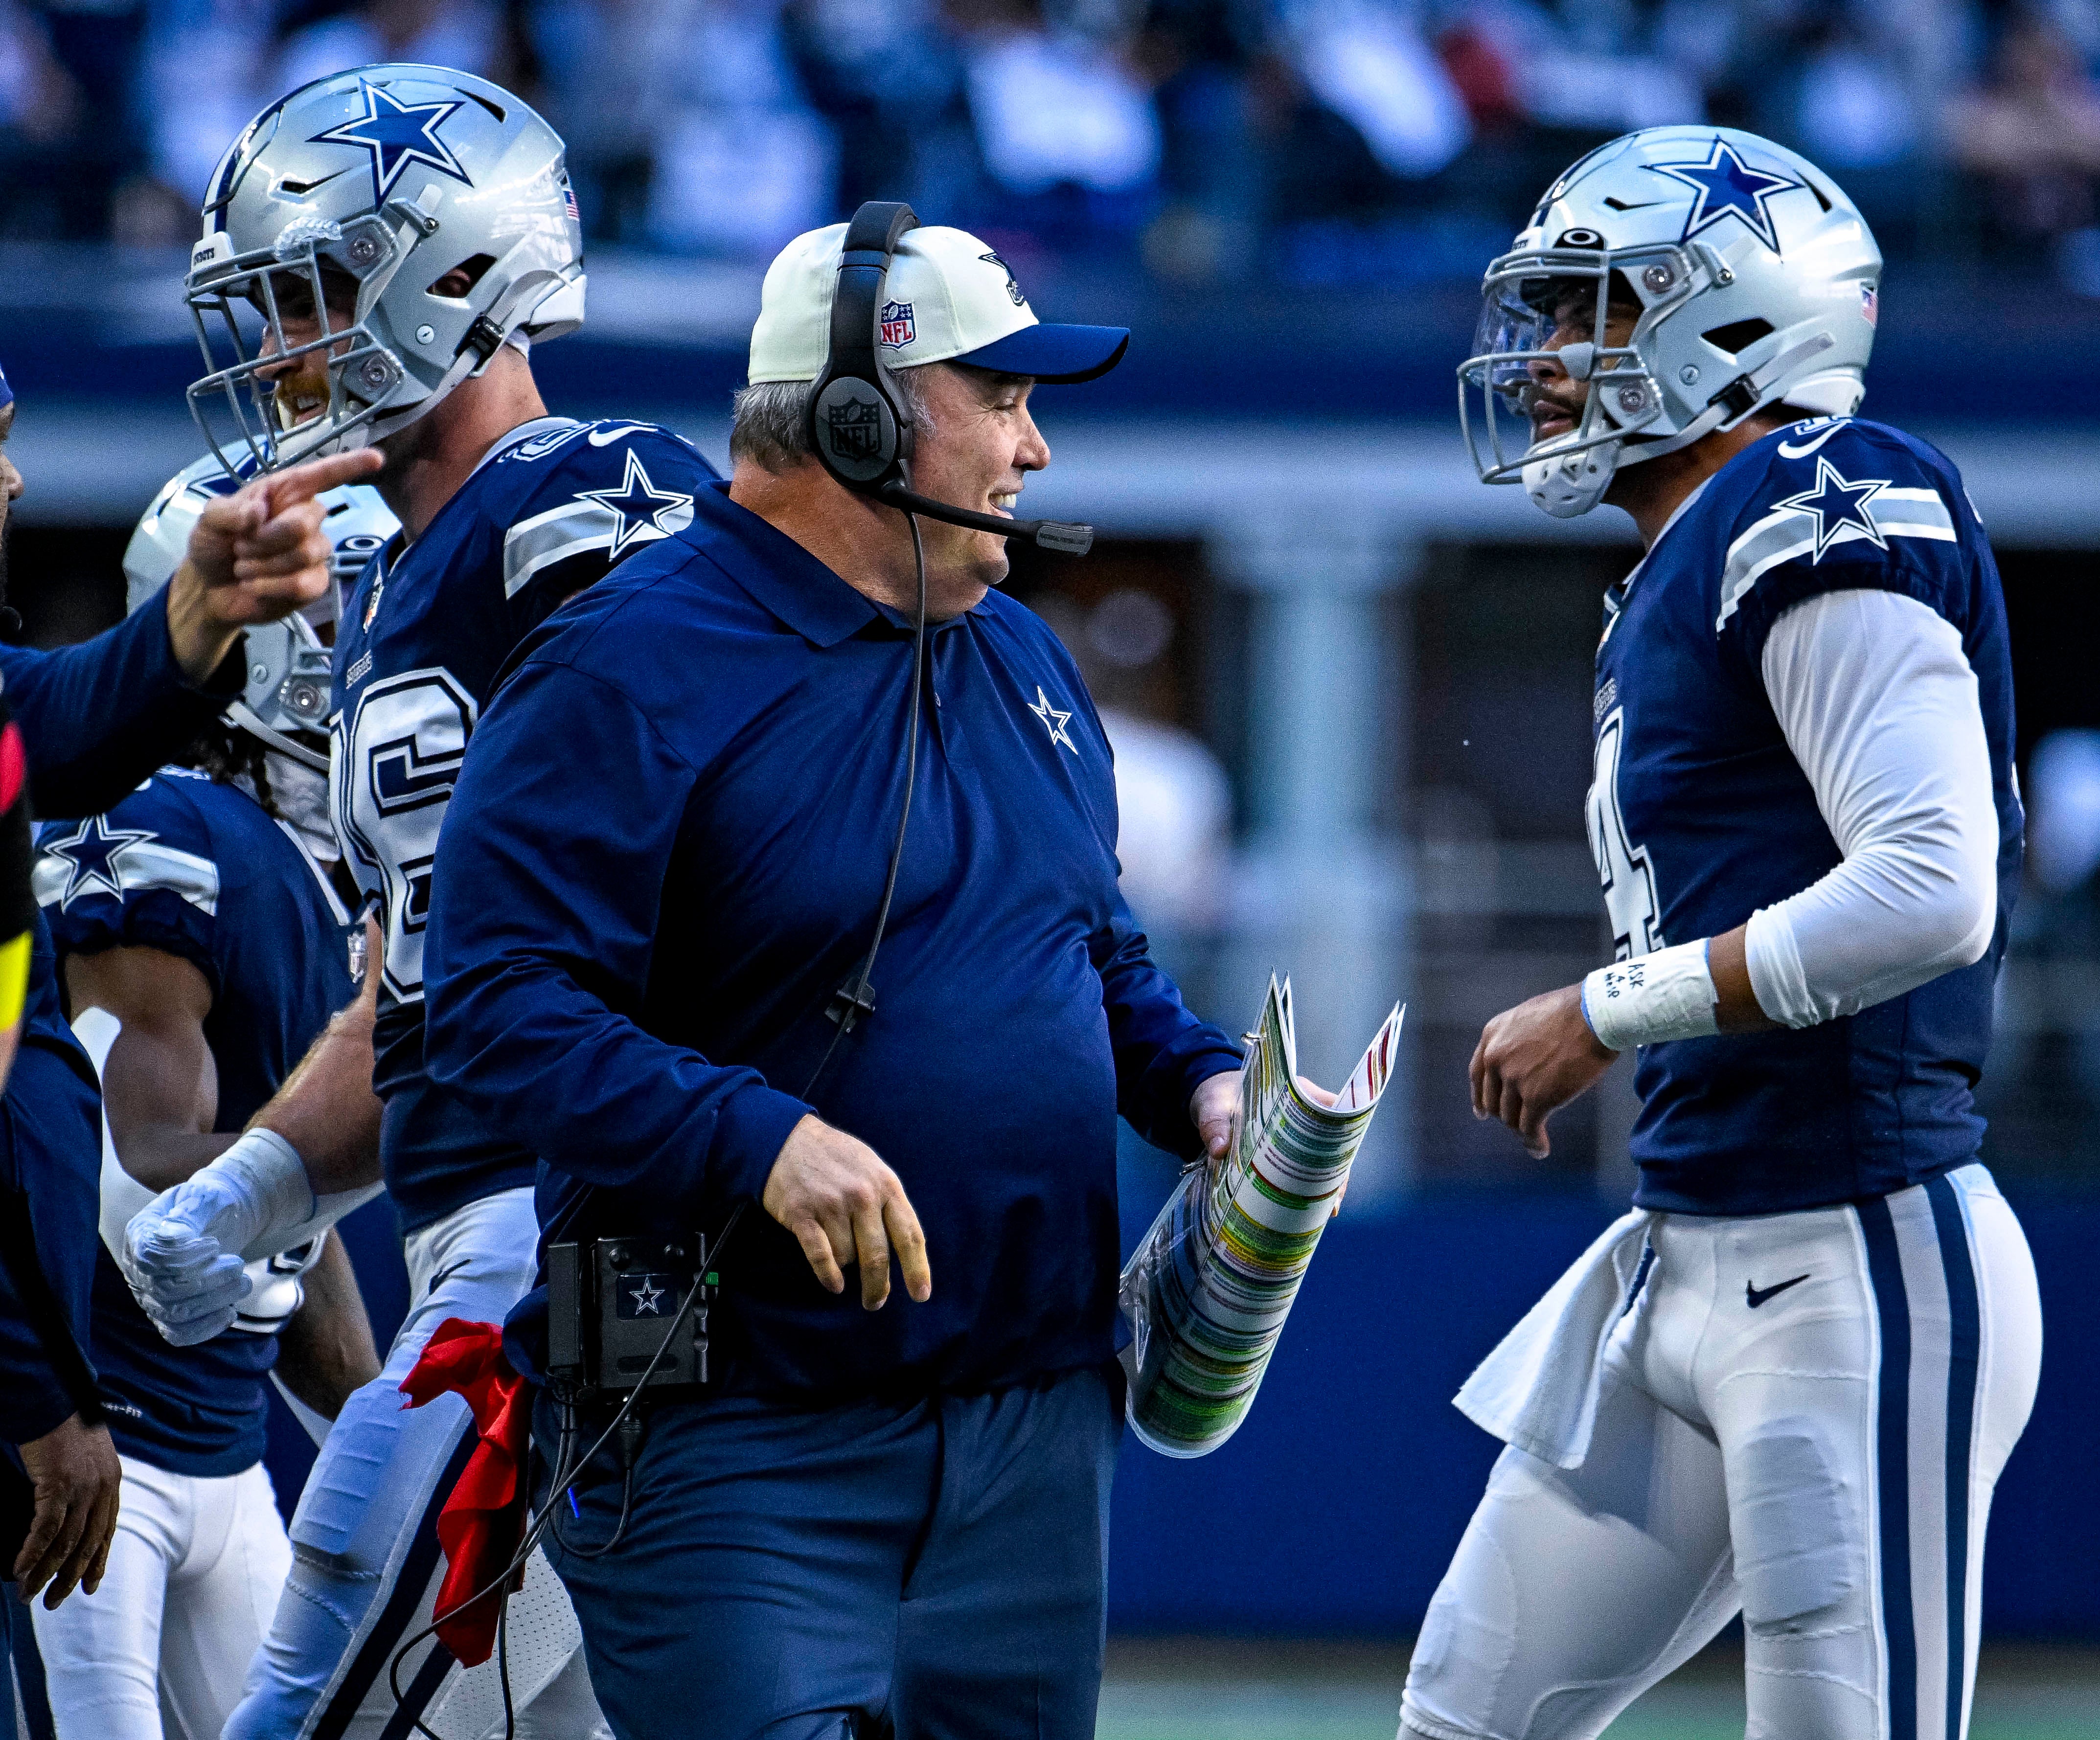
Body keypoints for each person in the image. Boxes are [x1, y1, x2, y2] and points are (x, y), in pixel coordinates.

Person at [419, 214, 1245, 1740]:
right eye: (1002, 399)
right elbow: (494, 1006)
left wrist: (1199, 1080)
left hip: (1031, 1434)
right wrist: (761, 1138)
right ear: (860, 416)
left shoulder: (1021, 658)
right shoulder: (623, 666)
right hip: (733, 1432)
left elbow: (1087, 942)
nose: (1036, 450)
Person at [1415, 125, 2044, 1740]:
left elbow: (1930, 884)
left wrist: (1605, 1012)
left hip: (1858, 1251)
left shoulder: (1827, 489)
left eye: (1590, 313)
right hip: (1689, 1250)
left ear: (1735, 320)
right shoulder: (1671, 571)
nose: (1549, 361)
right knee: (1461, 1719)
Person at [115, 64, 712, 1739]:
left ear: (452, 274)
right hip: (500, 1236)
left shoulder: (589, 502)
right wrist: (260, 1185)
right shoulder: (395, 581)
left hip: (580, 1248)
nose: (278, 350)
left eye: (305, 296)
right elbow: (431, 987)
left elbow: (731, 868)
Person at [0, 358, 371, 1695]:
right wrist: (410, 1116)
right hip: (104, 1453)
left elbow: (294, 1180)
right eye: (350, 645)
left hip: (213, 1450)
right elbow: (138, 1152)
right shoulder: (173, 830)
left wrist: (398, 1435)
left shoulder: (283, 862)